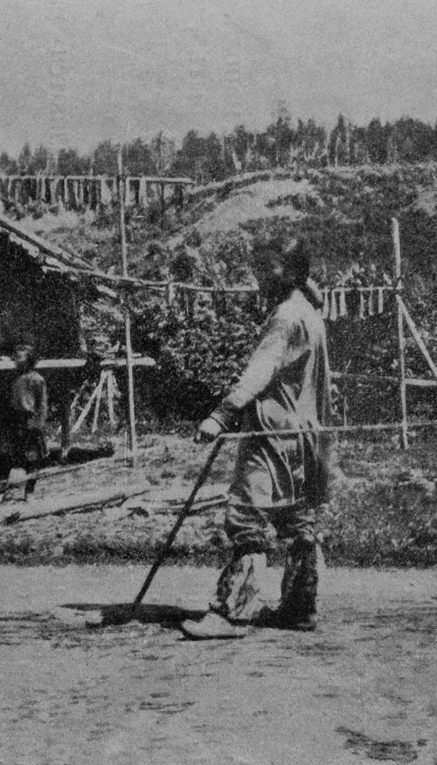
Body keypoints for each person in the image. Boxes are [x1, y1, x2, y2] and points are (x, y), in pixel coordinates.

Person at [179, 238, 333, 640]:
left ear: (294, 273)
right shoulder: (310, 313)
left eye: (271, 270)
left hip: (272, 435)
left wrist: (222, 413)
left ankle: (229, 613)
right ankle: (300, 609)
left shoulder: (285, 316)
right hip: (307, 436)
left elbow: (260, 370)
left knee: (248, 517)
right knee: (300, 521)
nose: (261, 278)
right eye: (260, 269)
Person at [0, 343, 48, 502]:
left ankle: (29, 492)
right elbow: (3, 401)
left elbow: (42, 405)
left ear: (30, 359)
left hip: (29, 422)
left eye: (21, 357)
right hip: (10, 421)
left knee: (32, 460)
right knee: (5, 457)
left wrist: (38, 425)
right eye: (15, 358)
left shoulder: (37, 380)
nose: (17, 360)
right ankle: (2, 492)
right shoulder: (10, 378)